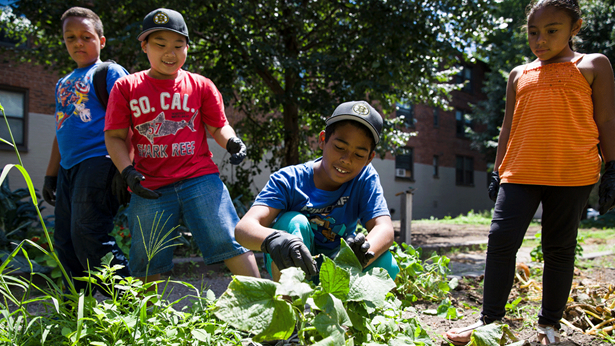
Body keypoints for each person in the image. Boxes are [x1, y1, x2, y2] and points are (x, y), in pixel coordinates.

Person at [444, 0, 615, 344]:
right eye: (533, 32)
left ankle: (548, 326)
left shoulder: (593, 65)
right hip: (520, 170)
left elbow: (607, 120)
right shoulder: (519, 74)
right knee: (501, 241)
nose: (540, 40)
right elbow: (508, 125)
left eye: (552, 31)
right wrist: (497, 169)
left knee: (559, 248)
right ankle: (490, 322)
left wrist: (612, 168)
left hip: (573, 172)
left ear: (574, 28)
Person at [104, 8, 260, 284]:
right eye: (160, 45)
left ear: (187, 47)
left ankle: (268, 310)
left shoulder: (201, 85)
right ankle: (147, 324)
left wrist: (232, 142)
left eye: (178, 45)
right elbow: (115, 136)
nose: (170, 53)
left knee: (228, 236)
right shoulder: (126, 87)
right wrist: (127, 171)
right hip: (148, 185)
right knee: (147, 258)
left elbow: (217, 126)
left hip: (199, 178)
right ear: (144, 46)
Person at [235, 100, 400, 282]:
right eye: (339, 147)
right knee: (293, 221)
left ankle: (338, 309)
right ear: (323, 140)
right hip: (293, 263)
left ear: (369, 158)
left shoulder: (365, 178)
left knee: (386, 262)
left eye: (359, 155)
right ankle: (289, 305)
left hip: (338, 268)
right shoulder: (289, 180)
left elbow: (383, 227)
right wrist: (274, 239)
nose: (346, 159)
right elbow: (244, 229)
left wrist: (363, 252)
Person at [42, 6, 131, 296]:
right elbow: (61, 130)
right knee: (65, 241)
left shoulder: (109, 72)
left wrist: (126, 169)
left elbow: (131, 122)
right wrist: (51, 175)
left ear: (101, 40)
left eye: (85, 36)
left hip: (100, 162)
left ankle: (132, 304)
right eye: (70, 38)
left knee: (88, 235)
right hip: (70, 168)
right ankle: (78, 313)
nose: (78, 43)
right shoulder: (62, 83)